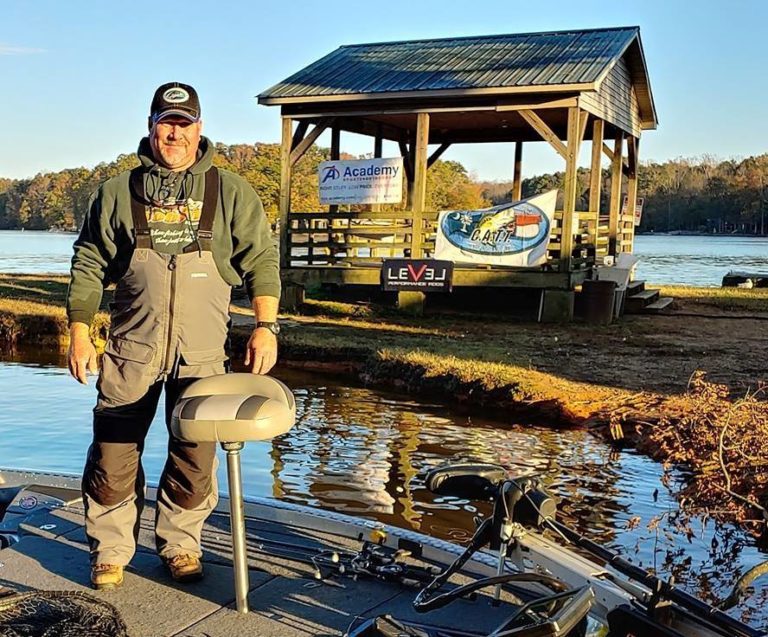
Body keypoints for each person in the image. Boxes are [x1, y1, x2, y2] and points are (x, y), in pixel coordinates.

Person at [66, 82, 281, 590]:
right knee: (114, 452)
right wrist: (79, 332)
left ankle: (181, 545)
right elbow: (89, 262)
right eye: (167, 122)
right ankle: (111, 551)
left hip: (204, 352)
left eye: (184, 124)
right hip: (130, 350)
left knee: (194, 455)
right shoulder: (117, 191)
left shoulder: (231, 192)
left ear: (199, 128)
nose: (175, 133)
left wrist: (266, 327)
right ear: (151, 125)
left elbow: (262, 262)